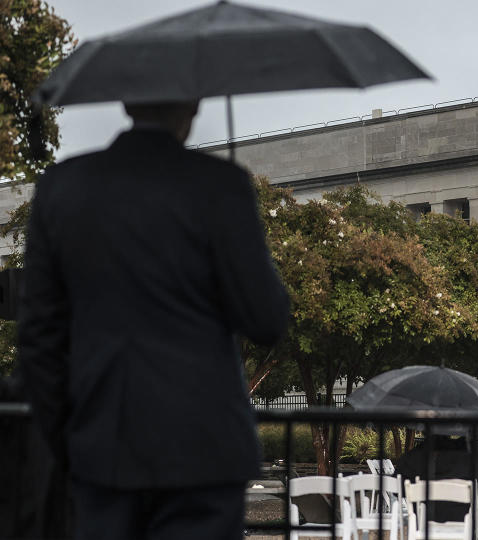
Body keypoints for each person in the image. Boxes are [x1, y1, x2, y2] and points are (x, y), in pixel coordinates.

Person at [18, 100, 290, 540]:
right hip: (203, 453)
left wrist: (67, 435)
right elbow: (266, 320)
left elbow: (38, 336)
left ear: (127, 104)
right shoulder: (220, 186)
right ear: (193, 105)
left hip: (100, 450)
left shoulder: (62, 186)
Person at [395, 435, 478, 540]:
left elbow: (398, 488)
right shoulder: (467, 456)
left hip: (424, 521)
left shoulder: (414, 457)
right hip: (467, 522)